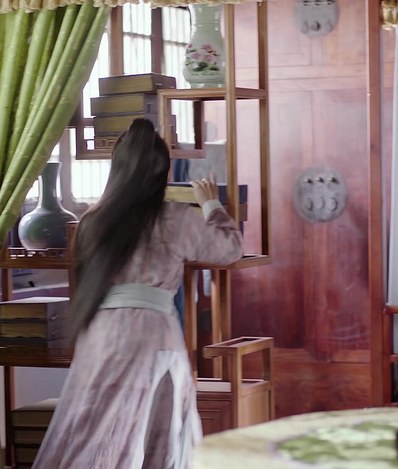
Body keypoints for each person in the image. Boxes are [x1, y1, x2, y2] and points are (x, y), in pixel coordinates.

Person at [32, 118, 244, 469]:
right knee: (159, 426)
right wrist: (211, 205)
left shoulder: (90, 221)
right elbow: (229, 249)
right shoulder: (174, 218)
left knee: (92, 423)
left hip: (99, 331)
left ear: (116, 169)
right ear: (162, 172)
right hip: (151, 332)